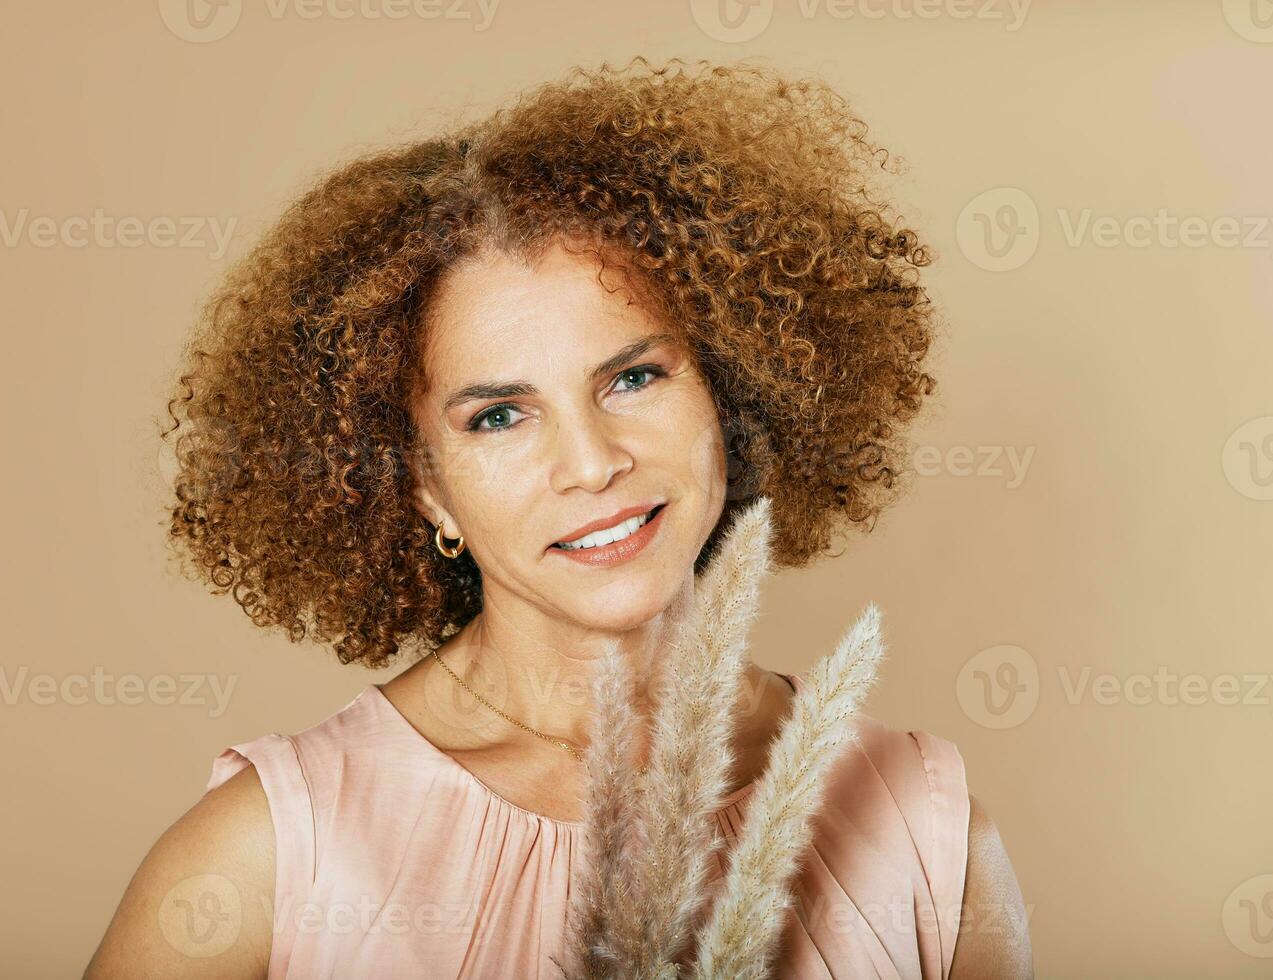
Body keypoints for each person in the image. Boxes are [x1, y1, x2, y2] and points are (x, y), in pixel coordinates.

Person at [84, 57, 1032, 979]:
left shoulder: (925, 836)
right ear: (420, 484)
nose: (591, 463)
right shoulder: (268, 857)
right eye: (498, 415)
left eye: (633, 376)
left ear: (727, 393)